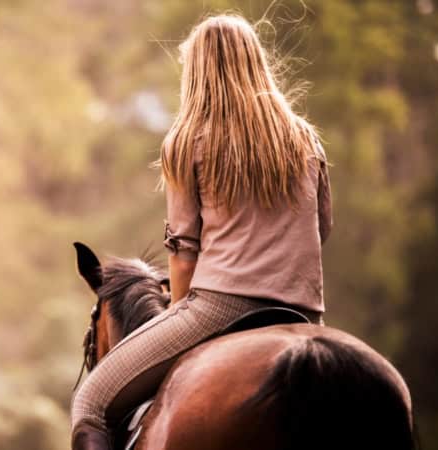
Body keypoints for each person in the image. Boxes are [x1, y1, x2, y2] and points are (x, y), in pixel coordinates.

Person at [70, 14, 332, 450]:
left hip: (220, 308)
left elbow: (184, 257)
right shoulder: (308, 140)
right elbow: (320, 230)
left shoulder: (188, 141)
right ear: (257, 63)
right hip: (304, 313)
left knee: (91, 402)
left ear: (197, 71)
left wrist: (178, 314)